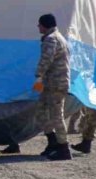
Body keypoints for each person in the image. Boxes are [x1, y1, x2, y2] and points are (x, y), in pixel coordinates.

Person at [31, 13, 72, 160]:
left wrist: (38, 76)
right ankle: (53, 142)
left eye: (39, 24)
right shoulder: (59, 37)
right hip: (51, 84)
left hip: (55, 84)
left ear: (44, 25)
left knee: (56, 116)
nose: (38, 27)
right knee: (42, 113)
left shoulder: (51, 39)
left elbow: (46, 59)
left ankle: (63, 148)